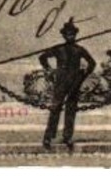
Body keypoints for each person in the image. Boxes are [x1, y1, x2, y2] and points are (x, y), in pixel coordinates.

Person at [39, 18, 96, 152]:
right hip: (60, 82)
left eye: (72, 34)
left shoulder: (79, 50)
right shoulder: (58, 49)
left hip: (75, 83)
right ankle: (49, 136)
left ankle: (67, 136)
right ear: (64, 35)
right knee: (55, 108)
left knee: (71, 109)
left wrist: (83, 75)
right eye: (67, 34)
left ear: (75, 35)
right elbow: (42, 57)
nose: (70, 36)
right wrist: (49, 70)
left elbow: (92, 63)